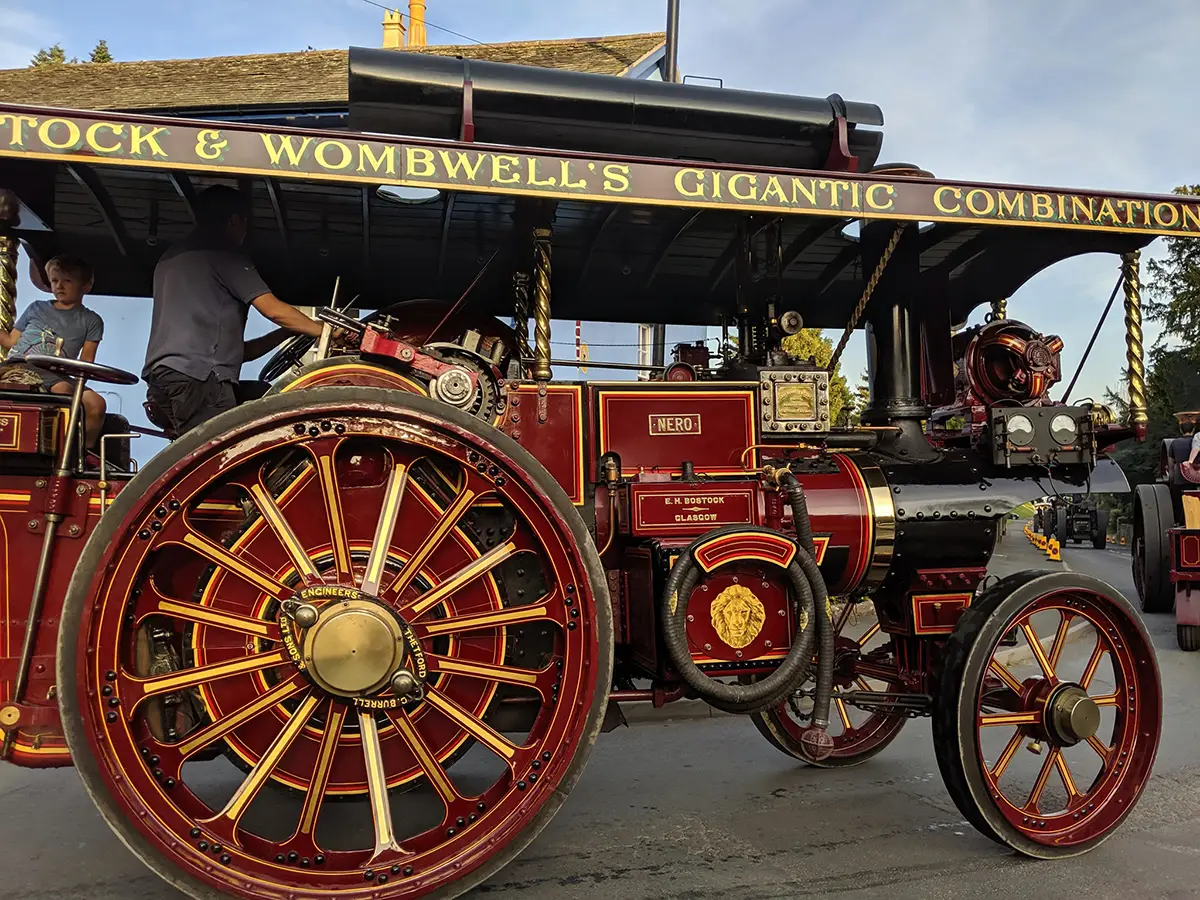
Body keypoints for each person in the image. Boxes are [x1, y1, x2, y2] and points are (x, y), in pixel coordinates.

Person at [143, 185, 327, 436]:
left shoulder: (170, 258)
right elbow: (273, 309)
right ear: (235, 220)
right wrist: (325, 330)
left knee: (264, 395)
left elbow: (236, 353)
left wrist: (285, 334)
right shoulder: (224, 255)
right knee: (213, 459)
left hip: (164, 380)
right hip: (199, 381)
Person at [0, 254, 107, 446]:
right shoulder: (36, 308)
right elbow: (10, 341)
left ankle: (81, 452)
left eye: (67, 281)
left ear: (85, 286)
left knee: (97, 404)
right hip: (22, 366)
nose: (59, 286)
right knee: (62, 389)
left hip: (58, 371)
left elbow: (86, 363)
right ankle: (53, 447)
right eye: (55, 280)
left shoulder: (91, 321)